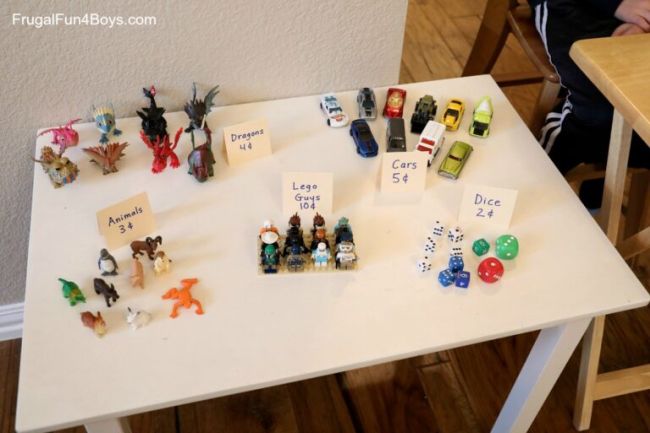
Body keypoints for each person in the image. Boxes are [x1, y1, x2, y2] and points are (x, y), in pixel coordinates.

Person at [529, 0, 650, 207]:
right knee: (600, 102)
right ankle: (539, 178)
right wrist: (617, 5)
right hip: (572, 5)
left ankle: (594, 198)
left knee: (631, 105)